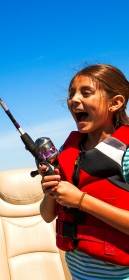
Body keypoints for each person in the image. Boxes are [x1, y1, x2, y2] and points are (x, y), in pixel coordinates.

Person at [39, 64, 129, 279]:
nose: (73, 99)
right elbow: (47, 215)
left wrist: (80, 200)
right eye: (71, 93)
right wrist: (51, 190)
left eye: (86, 93)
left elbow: (78, 201)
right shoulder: (67, 152)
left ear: (115, 103)